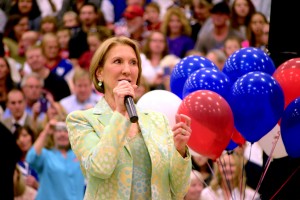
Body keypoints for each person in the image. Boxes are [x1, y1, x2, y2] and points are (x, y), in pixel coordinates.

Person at [66, 36, 192, 199]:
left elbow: (179, 190)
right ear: (100, 73)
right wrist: (120, 113)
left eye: (133, 63)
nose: (127, 70)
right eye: (118, 61)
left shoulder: (158, 121)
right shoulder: (81, 120)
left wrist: (180, 150)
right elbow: (100, 167)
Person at [26, 119, 85, 200]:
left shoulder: (79, 154)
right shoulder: (46, 154)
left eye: (66, 130)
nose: (62, 134)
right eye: (58, 131)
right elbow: (31, 158)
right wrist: (46, 132)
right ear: (52, 133)